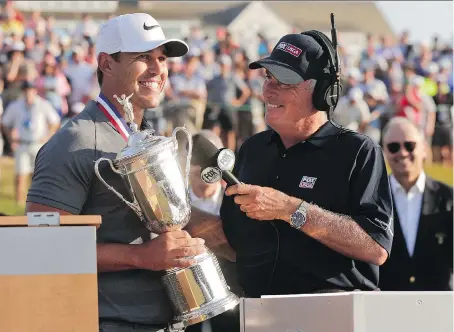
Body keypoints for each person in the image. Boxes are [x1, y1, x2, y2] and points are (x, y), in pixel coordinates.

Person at [25, 13, 233, 332]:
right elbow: (41, 250)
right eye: (143, 57)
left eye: (162, 58)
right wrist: (140, 256)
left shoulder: (144, 136)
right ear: (107, 64)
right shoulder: (73, 141)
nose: (157, 69)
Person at [196, 31, 394, 297]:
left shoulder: (358, 152)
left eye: (285, 81)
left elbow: (375, 246)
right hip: (258, 315)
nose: (268, 89)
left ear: (323, 91)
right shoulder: (253, 149)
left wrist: (289, 209)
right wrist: (177, 216)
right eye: (268, 77)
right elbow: (234, 243)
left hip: (334, 316)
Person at [379, 117, 453, 291]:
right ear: (384, 152)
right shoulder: (372, 199)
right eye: (393, 147)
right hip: (387, 308)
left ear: (425, 150)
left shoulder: (449, 197)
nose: (402, 153)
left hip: (439, 308)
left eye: (410, 145)